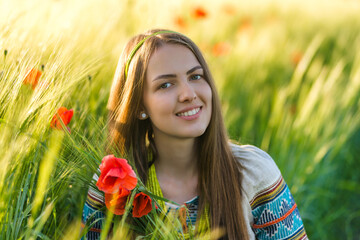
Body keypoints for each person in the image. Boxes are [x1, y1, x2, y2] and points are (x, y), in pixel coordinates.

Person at [81, 29, 308, 240]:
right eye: (166, 85)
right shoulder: (114, 183)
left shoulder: (254, 174)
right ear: (139, 105)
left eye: (195, 76)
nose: (188, 94)